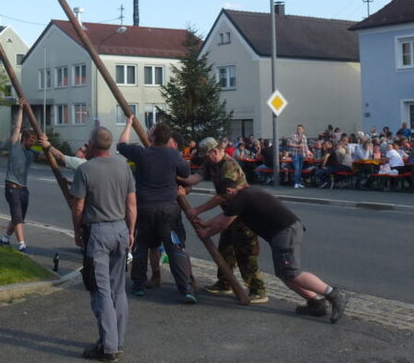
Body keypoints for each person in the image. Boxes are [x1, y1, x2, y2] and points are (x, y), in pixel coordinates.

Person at [190, 179, 348, 322]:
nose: (226, 202)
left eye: (225, 198)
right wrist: (206, 224)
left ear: (229, 191)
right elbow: (225, 216)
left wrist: (206, 233)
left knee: (292, 272)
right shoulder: (245, 194)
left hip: (285, 232)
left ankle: (334, 294)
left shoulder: (241, 198)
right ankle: (316, 303)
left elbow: (223, 223)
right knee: (284, 274)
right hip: (283, 232)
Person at [70, 127, 136, 362]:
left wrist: (77, 230)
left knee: (101, 289)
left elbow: (78, 206)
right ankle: (118, 340)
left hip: (98, 231)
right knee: (119, 288)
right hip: (120, 229)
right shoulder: (123, 167)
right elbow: (131, 204)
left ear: (91, 144)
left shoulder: (85, 169)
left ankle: (108, 347)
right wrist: (131, 231)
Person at [116, 116, 196, 303]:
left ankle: (138, 285)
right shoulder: (173, 155)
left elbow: (121, 145)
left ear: (152, 137)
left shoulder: (142, 153)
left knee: (142, 247)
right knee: (174, 247)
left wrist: (128, 124)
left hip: (145, 209)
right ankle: (185, 288)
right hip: (169, 209)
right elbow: (185, 173)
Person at [182, 137, 268, 303]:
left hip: (244, 214)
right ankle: (224, 283)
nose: (206, 159)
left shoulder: (229, 166)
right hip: (230, 213)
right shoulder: (211, 162)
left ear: (214, 151)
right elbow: (196, 177)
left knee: (246, 252)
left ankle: (258, 290)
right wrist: (181, 180)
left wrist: (197, 210)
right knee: (225, 249)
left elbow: (222, 197)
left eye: (207, 155)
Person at [1, 102, 38, 252]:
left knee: (19, 217)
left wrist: (47, 144)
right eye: (31, 140)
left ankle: (4, 238)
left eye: (34, 141)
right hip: (12, 187)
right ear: (24, 139)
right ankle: (22, 244)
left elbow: (47, 155)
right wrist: (21, 109)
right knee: (17, 216)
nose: (33, 143)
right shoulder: (15, 145)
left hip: (24, 189)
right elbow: (17, 127)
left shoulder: (32, 153)